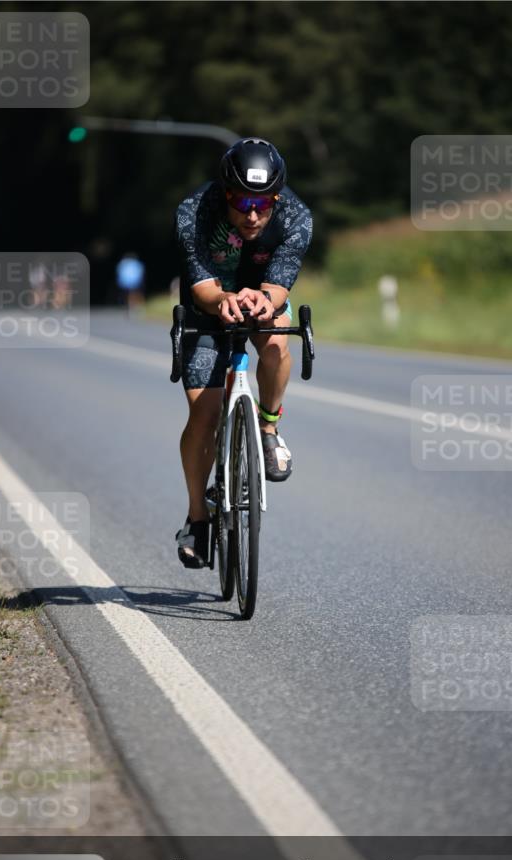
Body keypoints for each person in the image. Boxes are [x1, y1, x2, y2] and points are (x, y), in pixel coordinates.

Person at [174, 137, 313, 567]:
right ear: (224, 192)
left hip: (260, 296)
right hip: (209, 301)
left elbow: (279, 285)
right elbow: (201, 287)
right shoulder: (193, 211)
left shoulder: (297, 217)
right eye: (242, 202)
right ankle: (198, 517)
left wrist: (265, 302)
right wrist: (222, 302)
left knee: (274, 343)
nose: (253, 214)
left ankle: (268, 430)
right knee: (205, 413)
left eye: (263, 202)